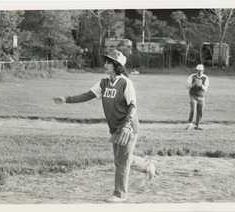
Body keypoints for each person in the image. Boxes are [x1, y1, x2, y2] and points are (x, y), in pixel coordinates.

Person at [53, 49, 157, 203]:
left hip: (128, 127)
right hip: (115, 128)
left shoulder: (125, 83)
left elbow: (133, 106)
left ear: (117, 65)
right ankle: (148, 164)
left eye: (109, 62)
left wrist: (127, 126)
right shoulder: (104, 82)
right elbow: (87, 95)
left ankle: (120, 194)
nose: (105, 64)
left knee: (121, 162)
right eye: (106, 61)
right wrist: (66, 99)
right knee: (120, 159)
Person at [185, 64, 209, 130]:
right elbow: (187, 86)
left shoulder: (205, 78)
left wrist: (200, 85)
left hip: (201, 96)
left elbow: (206, 89)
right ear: (196, 71)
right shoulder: (192, 76)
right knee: (193, 110)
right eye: (198, 71)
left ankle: (197, 125)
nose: (199, 72)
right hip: (193, 95)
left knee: (200, 111)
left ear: (203, 71)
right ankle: (190, 123)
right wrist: (193, 84)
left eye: (201, 71)